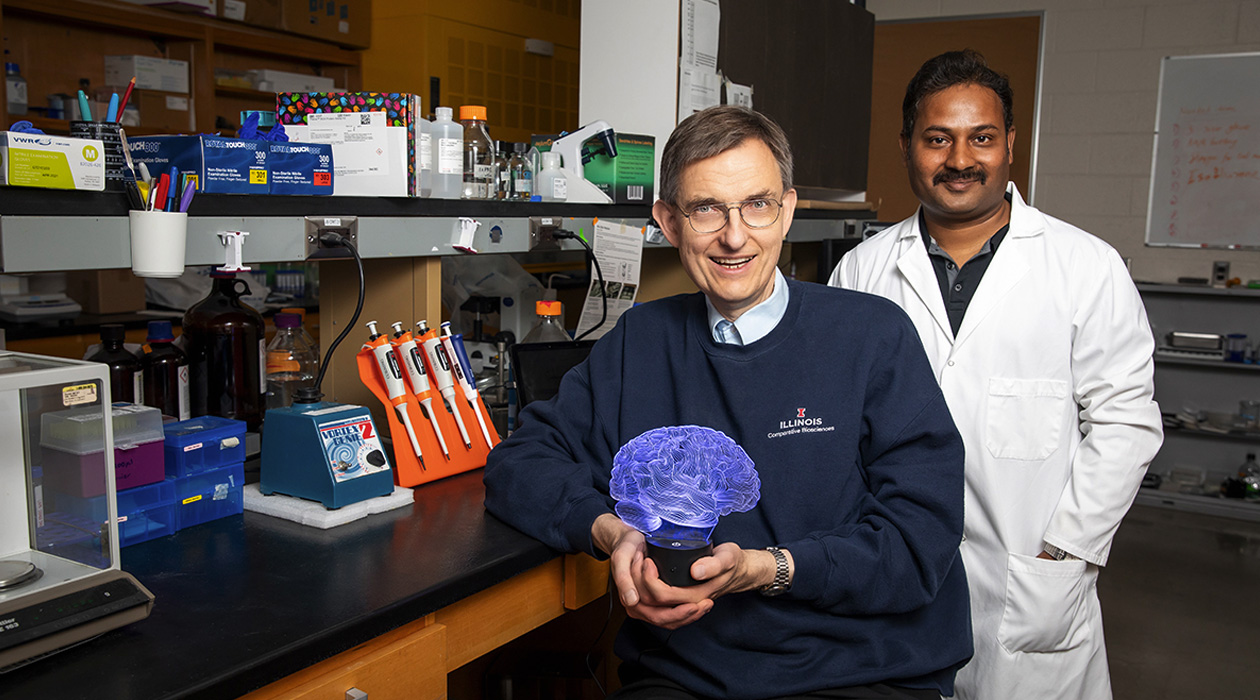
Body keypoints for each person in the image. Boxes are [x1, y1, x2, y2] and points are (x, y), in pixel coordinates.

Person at [484, 105, 973, 700]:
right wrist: (613, 533)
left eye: (757, 205)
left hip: (862, 671)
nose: (734, 235)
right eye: (706, 209)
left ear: (787, 211)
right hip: (688, 676)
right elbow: (519, 464)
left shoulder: (872, 338)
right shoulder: (640, 344)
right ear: (668, 222)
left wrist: (767, 568)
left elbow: (919, 542)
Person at [830, 50, 1163, 700]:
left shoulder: (1085, 267)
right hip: (895, 571)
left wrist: (1065, 553)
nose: (960, 159)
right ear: (907, 147)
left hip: (1029, 581)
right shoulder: (860, 273)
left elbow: (1126, 425)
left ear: (1010, 143)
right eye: (937, 139)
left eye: (981, 137)